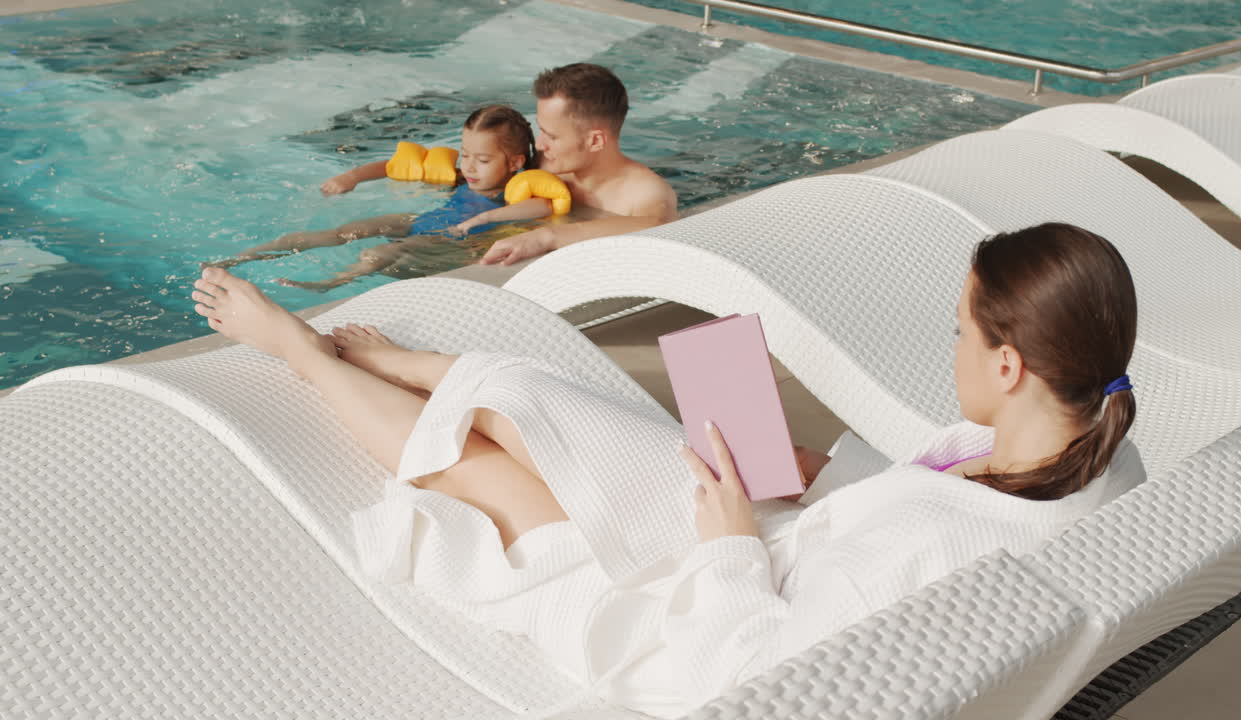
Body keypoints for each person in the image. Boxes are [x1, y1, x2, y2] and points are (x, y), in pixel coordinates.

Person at [190, 222, 1144, 716]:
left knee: (494, 478)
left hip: (695, 617)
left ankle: (301, 354)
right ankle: (413, 365)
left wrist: (728, 548)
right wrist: (803, 473)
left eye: (959, 332)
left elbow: (756, 683)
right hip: (773, 542)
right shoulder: (1093, 450)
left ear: (1010, 366)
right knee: (542, 400)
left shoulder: (951, 539)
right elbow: (916, 521)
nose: (953, 350)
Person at [208, 105, 554, 290]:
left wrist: (482, 219)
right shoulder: (461, 174)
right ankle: (242, 258)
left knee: (380, 251)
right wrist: (352, 176)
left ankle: (330, 283)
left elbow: (544, 205)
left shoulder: (517, 191)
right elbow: (394, 166)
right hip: (421, 223)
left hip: (448, 242)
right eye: (466, 154)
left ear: (515, 162)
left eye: (483, 160)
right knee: (348, 230)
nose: (471, 166)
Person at [477, 63, 679, 266]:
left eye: (552, 136)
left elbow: (660, 226)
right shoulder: (547, 162)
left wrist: (547, 236)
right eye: (541, 130)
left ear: (595, 141)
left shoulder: (643, 191)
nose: (539, 144)